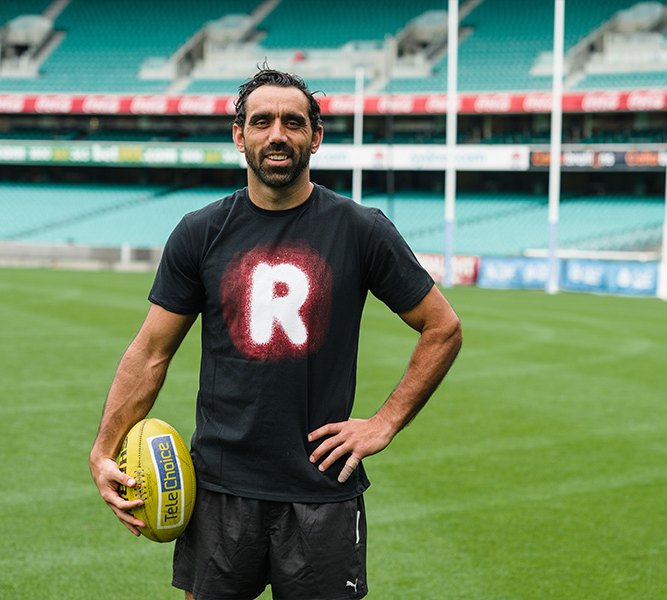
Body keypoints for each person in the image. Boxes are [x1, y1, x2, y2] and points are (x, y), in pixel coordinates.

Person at [89, 68, 462, 600]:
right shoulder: (201, 232)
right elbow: (151, 351)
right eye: (261, 121)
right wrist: (103, 449)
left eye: (293, 121)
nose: (277, 134)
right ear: (239, 136)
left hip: (321, 490)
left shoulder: (360, 229)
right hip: (219, 489)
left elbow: (442, 327)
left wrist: (385, 423)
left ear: (316, 135)